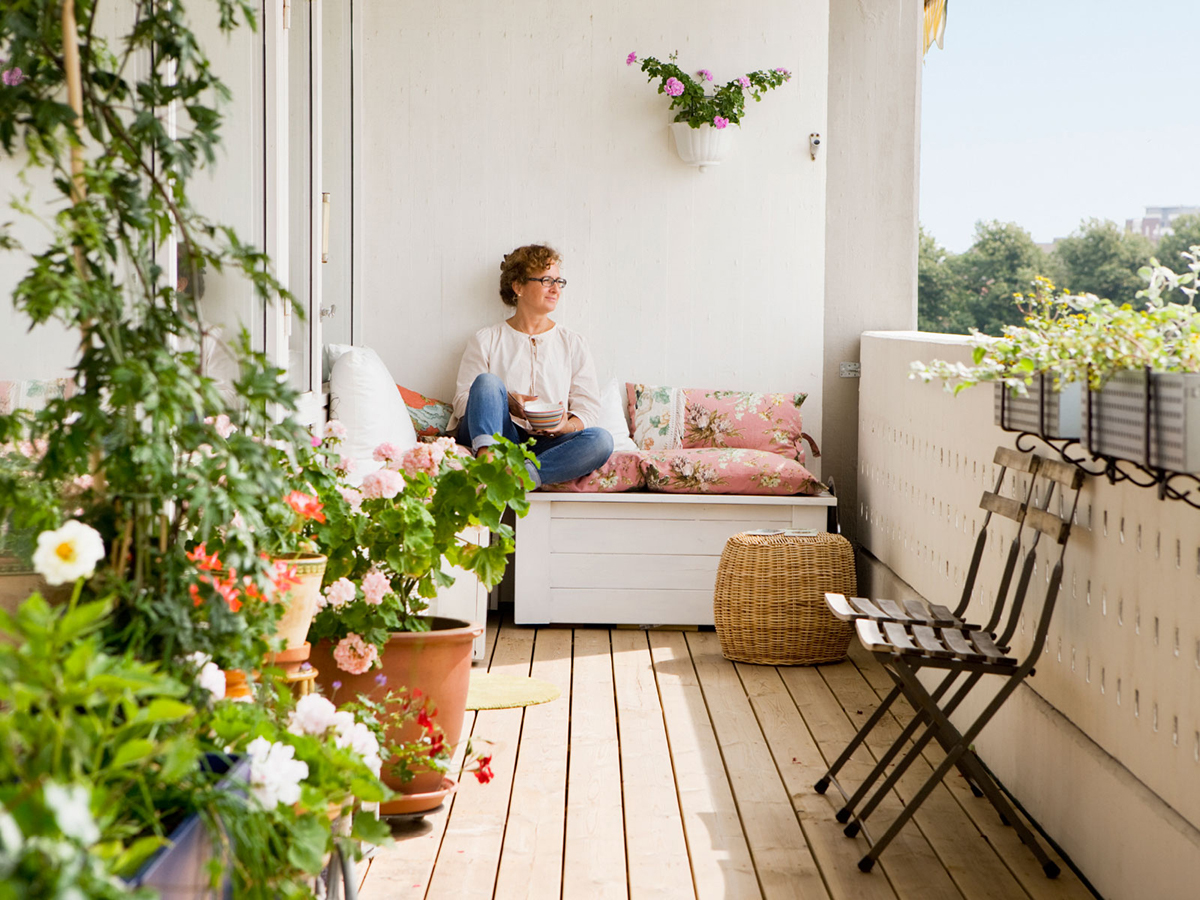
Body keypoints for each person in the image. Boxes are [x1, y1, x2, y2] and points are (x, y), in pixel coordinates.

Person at [451, 244, 613, 487]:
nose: (555, 288)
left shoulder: (573, 343)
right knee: (487, 382)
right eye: (547, 280)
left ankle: (517, 478)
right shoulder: (486, 339)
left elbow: (588, 409)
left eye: (559, 281)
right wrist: (508, 403)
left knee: (602, 440)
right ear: (518, 286)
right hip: (499, 435)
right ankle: (487, 464)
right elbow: (463, 405)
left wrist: (565, 426)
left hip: (545, 446)